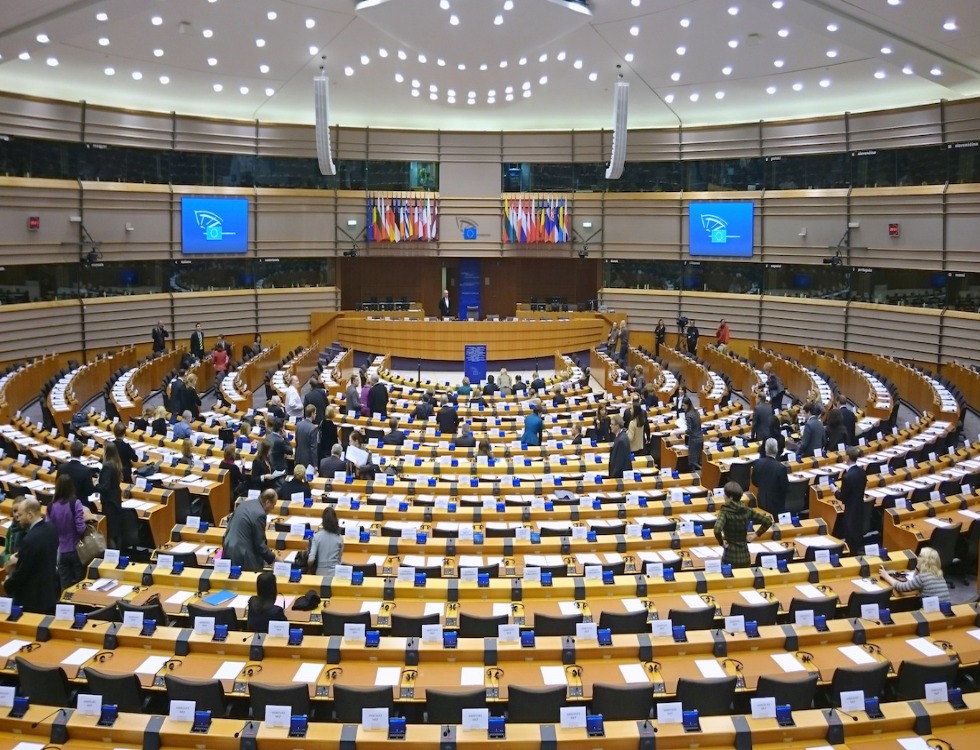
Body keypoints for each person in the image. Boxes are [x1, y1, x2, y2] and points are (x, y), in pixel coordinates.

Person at [3, 498, 60, 614]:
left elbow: (23, 572)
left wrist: (6, 585)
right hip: (50, 594)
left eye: (20, 515)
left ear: (30, 515)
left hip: (32, 601)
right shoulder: (51, 529)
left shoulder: (29, 540)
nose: (17, 518)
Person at [713, 481, 774, 568]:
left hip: (730, 556)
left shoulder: (725, 512)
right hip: (745, 556)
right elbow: (767, 521)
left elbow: (717, 529)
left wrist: (721, 543)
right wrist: (756, 535)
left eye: (725, 494)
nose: (723, 496)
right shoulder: (747, 510)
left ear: (730, 497)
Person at [47, 474, 88, 589]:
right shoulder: (75, 503)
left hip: (60, 551)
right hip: (76, 549)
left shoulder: (51, 507)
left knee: (65, 586)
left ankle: (65, 606)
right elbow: (80, 528)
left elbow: (49, 531)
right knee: (80, 585)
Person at [223, 489, 278, 571]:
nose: (273, 508)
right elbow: (260, 545)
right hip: (243, 556)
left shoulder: (244, 504)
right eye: (273, 505)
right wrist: (275, 559)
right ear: (267, 502)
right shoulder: (260, 514)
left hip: (228, 549)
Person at [879, 547, 950, 604]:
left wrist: (886, 576)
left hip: (933, 611)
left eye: (920, 556)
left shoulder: (922, 577)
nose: (917, 558)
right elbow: (914, 579)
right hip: (944, 608)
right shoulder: (938, 574)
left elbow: (901, 587)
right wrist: (918, 567)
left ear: (925, 561)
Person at [837, 446, 868, 555]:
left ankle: (852, 556)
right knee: (857, 534)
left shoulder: (847, 476)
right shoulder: (862, 472)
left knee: (850, 537)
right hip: (860, 507)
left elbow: (842, 496)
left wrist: (835, 491)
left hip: (850, 510)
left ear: (848, 457)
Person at [96, 441, 123, 548]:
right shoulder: (117, 463)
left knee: (110, 533)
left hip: (109, 502)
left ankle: (113, 558)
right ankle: (119, 553)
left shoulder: (107, 467)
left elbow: (105, 487)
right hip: (116, 499)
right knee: (117, 531)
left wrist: (95, 486)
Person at [751, 438, 789, 515]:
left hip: (761, 501)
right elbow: (786, 488)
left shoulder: (757, 463)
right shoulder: (781, 468)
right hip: (776, 504)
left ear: (765, 449)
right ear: (777, 449)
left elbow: (754, 481)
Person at [57, 440, 97, 512]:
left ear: (70, 451)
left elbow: (58, 485)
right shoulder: (86, 471)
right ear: (82, 452)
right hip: (81, 507)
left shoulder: (61, 468)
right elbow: (89, 492)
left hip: (64, 505)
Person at [308, 506, 344, 578]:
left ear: (323, 521)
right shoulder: (340, 538)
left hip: (319, 575)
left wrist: (308, 568)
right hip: (335, 575)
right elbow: (339, 559)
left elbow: (311, 559)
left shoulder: (317, 536)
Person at [294, 404, 319, 469]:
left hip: (298, 457)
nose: (316, 415)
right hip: (308, 460)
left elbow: (296, 441)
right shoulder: (313, 428)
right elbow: (313, 448)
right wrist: (315, 465)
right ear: (312, 413)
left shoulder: (298, 424)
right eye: (315, 413)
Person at [607, 415, 632, 479]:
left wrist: (613, 477)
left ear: (617, 426)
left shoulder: (621, 440)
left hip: (619, 477)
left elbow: (619, 463)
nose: (610, 426)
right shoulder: (620, 436)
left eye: (612, 424)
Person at [683, 396, 703, 472]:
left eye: (684, 405)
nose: (683, 407)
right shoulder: (696, 412)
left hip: (694, 440)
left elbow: (689, 430)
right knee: (698, 460)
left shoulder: (688, 415)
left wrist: (683, 431)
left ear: (687, 405)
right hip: (700, 438)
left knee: (692, 462)